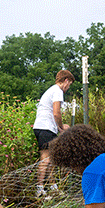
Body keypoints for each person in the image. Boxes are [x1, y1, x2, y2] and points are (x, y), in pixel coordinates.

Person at [33, 69, 75, 198]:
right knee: (45, 159)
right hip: (45, 128)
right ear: (66, 81)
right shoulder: (57, 91)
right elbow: (56, 113)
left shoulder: (51, 90)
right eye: (70, 84)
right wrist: (62, 127)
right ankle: (39, 189)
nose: (68, 87)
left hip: (45, 127)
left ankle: (53, 187)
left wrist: (58, 128)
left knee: (51, 159)